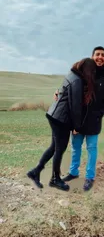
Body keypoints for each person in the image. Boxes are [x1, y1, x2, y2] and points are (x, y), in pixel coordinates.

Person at [27, 58, 96, 191]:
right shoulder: (78, 81)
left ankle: (35, 172)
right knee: (59, 149)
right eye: (92, 71)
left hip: (54, 115)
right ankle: (55, 179)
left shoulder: (72, 75)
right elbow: (75, 107)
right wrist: (77, 126)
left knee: (54, 147)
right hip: (61, 120)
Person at [62, 46, 104, 191]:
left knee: (92, 149)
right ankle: (73, 173)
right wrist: (59, 93)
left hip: (94, 121)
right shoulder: (83, 74)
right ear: (92, 57)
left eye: (103, 55)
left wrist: (99, 113)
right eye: (97, 54)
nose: (100, 57)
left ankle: (89, 177)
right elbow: (70, 88)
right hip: (78, 119)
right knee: (75, 148)